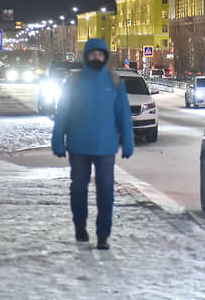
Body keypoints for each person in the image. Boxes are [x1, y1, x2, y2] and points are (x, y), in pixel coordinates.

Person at [52, 38, 134, 250]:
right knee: (78, 189)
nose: (96, 57)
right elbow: (63, 111)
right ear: (86, 55)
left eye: (100, 54)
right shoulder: (74, 81)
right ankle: (80, 226)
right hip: (79, 145)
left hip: (106, 147)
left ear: (105, 56)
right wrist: (57, 139)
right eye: (93, 54)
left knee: (106, 191)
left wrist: (128, 141)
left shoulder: (114, 82)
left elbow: (123, 114)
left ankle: (103, 235)